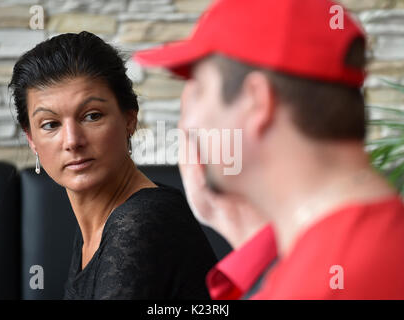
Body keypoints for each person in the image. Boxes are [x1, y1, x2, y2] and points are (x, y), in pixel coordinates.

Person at [134, 0, 404, 299]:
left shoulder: (317, 286)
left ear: (256, 102)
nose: (188, 123)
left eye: (199, 90)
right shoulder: (379, 242)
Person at [8, 31, 217, 299]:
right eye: (51, 124)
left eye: (92, 116)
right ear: (32, 139)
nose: (72, 141)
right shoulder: (98, 224)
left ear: (130, 119)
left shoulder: (141, 223)